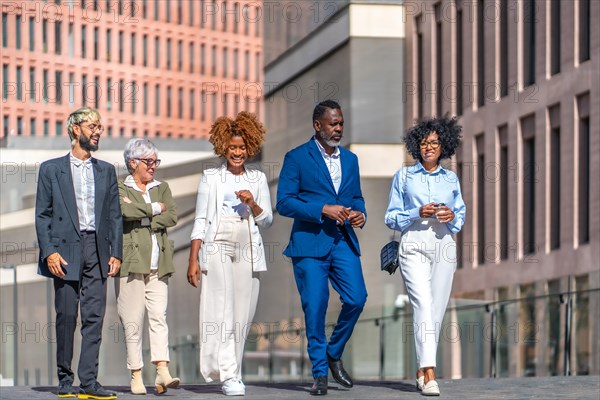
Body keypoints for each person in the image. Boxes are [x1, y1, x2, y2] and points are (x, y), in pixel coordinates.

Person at [276, 100, 368, 396]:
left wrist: (360, 214)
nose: (339, 128)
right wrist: (322, 208)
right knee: (315, 307)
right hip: (309, 245)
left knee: (357, 298)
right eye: (333, 123)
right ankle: (319, 374)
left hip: (343, 241)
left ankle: (333, 351)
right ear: (318, 125)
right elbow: (284, 202)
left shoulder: (351, 159)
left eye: (341, 122)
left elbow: (356, 197)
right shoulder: (296, 157)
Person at [35, 107, 122, 400]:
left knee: (94, 317)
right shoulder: (51, 169)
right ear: (75, 129)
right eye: (92, 126)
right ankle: (64, 378)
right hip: (65, 250)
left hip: (97, 248)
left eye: (100, 126)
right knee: (67, 315)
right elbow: (42, 215)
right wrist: (49, 252)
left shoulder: (107, 170)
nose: (98, 131)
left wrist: (116, 252)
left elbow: (114, 216)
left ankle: (89, 381)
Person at [187, 111, 272, 396]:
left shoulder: (258, 178)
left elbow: (268, 220)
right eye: (233, 147)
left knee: (242, 314)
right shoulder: (211, 177)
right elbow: (200, 220)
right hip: (218, 245)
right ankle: (228, 375)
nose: (237, 152)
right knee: (222, 309)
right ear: (223, 147)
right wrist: (193, 260)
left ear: (251, 146)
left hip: (248, 247)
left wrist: (253, 204)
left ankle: (233, 371)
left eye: (242, 147)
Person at [384, 115, 466, 396]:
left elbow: (461, 215)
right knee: (422, 303)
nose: (429, 147)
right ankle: (430, 372)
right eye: (423, 142)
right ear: (415, 146)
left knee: (437, 309)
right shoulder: (404, 176)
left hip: (444, 245)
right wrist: (416, 212)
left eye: (434, 142)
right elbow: (391, 218)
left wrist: (451, 215)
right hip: (414, 245)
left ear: (444, 145)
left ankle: (421, 369)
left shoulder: (451, 179)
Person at [115, 138, 180, 395]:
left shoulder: (161, 186)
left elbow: (172, 215)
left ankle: (162, 369)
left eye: (156, 161)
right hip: (131, 262)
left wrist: (144, 216)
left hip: (158, 263)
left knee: (158, 317)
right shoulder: (120, 186)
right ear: (133, 163)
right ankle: (136, 373)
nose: (153, 166)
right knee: (132, 320)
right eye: (148, 161)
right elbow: (123, 212)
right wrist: (155, 211)